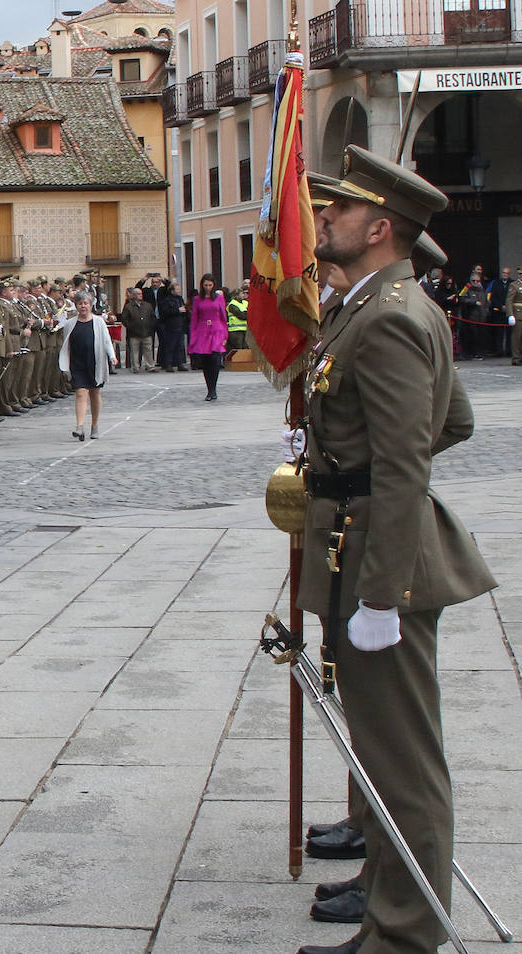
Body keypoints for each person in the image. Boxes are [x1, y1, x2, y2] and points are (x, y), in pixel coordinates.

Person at [294, 145, 497, 954]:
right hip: (360, 542)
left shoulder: (392, 316)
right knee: (379, 753)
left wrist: (380, 595)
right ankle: (389, 899)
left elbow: (415, 456)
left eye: (336, 211)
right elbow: (450, 424)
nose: (322, 220)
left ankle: (405, 937)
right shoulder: (370, 306)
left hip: (382, 563)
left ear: (380, 227)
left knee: (402, 763)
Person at [58, 290, 116, 441]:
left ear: (91, 305)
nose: (83, 306)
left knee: (95, 393)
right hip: (77, 363)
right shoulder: (70, 324)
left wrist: (112, 356)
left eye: (86, 303)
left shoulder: (98, 322)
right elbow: (66, 345)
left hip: (95, 362)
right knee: (80, 393)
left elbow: (106, 341)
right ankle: (79, 426)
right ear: (76, 306)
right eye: (80, 304)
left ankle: (95, 425)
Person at [189, 274, 228, 400]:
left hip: (217, 330)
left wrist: (225, 335)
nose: (207, 288)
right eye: (205, 285)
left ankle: (213, 389)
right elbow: (194, 318)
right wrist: (193, 336)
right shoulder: (197, 299)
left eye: (210, 285)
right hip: (202, 330)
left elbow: (223, 317)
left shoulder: (219, 298)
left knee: (215, 360)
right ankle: (209, 389)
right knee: (205, 361)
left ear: (214, 285)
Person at [119, 286, 157, 372]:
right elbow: (124, 319)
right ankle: (136, 367)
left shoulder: (147, 305)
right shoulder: (128, 306)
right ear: (134, 295)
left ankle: (150, 366)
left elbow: (153, 317)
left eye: (141, 294)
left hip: (146, 332)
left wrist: (150, 326)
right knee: (134, 351)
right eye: (138, 294)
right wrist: (131, 326)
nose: (140, 295)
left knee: (148, 350)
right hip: (134, 333)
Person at [155, 278, 188, 371]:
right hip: (170, 326)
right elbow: (164, 312)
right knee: (170, 346)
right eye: (177, 289)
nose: (179, 291)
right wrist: (177, 310)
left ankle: (180, 363)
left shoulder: (180, 299)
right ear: (172, 291)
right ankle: (168, 364)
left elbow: (184, 309)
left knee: (180, 346)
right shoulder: (167, 300)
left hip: (180, 325)